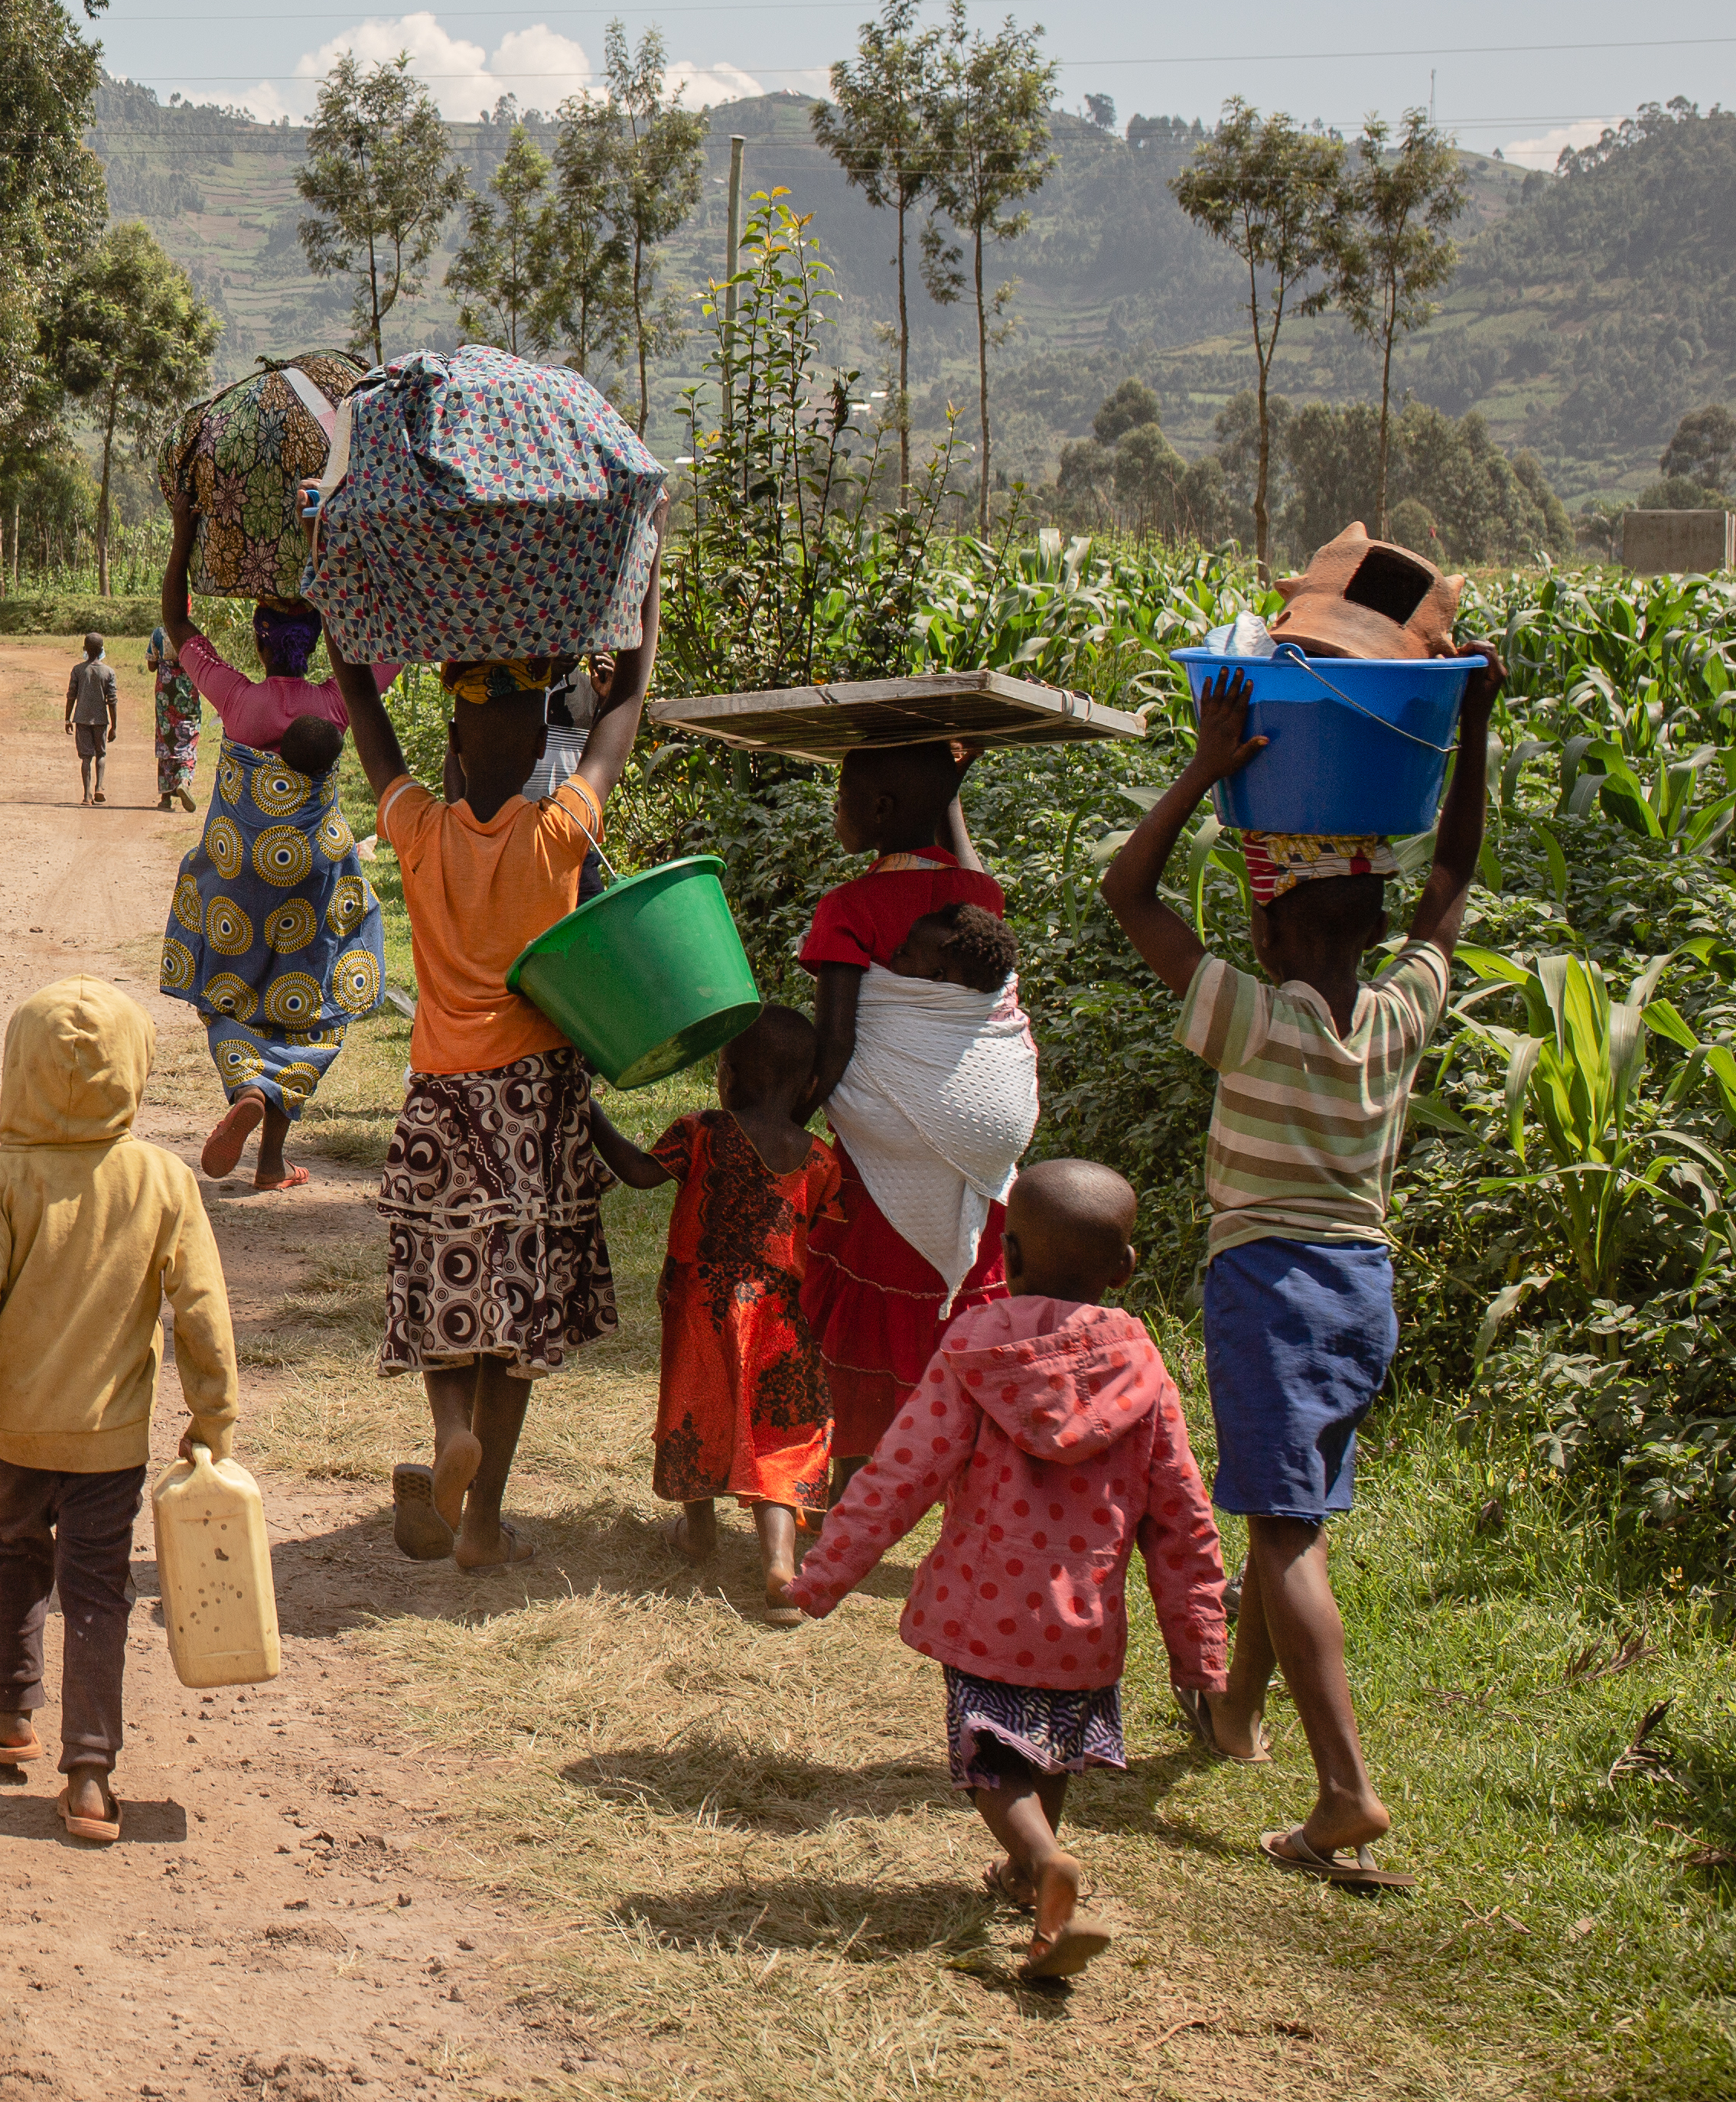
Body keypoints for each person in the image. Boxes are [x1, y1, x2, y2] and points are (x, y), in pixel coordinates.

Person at [1099, 650, 1498, 1892]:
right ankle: (1233, 1709)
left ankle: (1344, 1794)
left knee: (1284, 1535)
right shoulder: (1396, 1017)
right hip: (1360, 1296)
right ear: (1371, 935)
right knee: (1294, 1508)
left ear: (1266, 926)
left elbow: (1128, 890)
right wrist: (1468, 728)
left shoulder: (1248, 1017)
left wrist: (1205, 770)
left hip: (1269, 1287)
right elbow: (1453, 883)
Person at [780, 1160, 1229, 1984]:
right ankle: (1034, 1889)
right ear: (1124, 1270)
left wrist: (823, 1574)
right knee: (1051, 1750)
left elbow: (901, 1473)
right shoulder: (1144, 1367)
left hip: (986, 1608)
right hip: (1086, 1617)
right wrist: (1199, 1653)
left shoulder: (981, 1347)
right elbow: (1183, 1522)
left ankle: (1042, 1861)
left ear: (1009, 1254)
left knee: (994, 1760)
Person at [333, 566, 655, 1573]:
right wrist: (640, 604)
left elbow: (364, 714)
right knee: (521, 1313)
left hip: (442, 1093)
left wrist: (346, 608)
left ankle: (444, 1438)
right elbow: (623, 715)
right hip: (536, 1102)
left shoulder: (420, 829)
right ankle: (482, 1525)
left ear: (456, 748)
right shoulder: (559, 830)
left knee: (443, 1283)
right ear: (529, 759)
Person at [0, 978, 237, 1848]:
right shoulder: (161, 1180)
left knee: (13, 1550)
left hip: (16, 1434)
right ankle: (89, 1774)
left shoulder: (3, 1181)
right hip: (111, 1443)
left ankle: (11, 1714)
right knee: (98, 1590)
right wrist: (214, 1418)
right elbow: (201, 1312)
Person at [796, 741, 1030, 1497]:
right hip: (977, 1155)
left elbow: (834, 1046)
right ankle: (980, 1489)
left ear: (882, 812)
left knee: (873, 1312)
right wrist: (952, 783)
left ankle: (852, 1485)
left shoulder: (851, 909)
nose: (836, 812)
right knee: (960, 1307)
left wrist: (780, 1126)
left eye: (843, 799)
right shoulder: (978, 899)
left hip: (888, 1151)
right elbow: (965, 869)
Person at [158, 512, 387, 1195]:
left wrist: (184, 533)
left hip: (238, 877)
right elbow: (391, 643)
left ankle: (245, 1093)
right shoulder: (339, 700)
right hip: (311, 881)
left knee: (228, 983)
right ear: (320, 641)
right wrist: (347, 548)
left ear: (259, 644)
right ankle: (270, 1153)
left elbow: (178, 624)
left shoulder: (236, 698)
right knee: (317, 994)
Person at [587, 1004, 835, 1619]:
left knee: (695, 1409)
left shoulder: (701, 1131)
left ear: (727, 1075)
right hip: (782, 1313)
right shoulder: (820, 1159)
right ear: (808, 1086)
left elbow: (640, 1174)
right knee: (778, 1431)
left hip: (701, 1305)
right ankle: (779, 1564)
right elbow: (829, 1240)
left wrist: (588, 1110)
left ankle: (699, 1531)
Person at [147, 627, 205, 814]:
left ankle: (165, 798)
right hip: (189, 693)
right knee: (188, 738)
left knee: (166, 739)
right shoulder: (195, 633)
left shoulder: (158, 634)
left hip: (165, 692)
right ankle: (183, 781)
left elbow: (151, 666)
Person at [64, 635, 120, 805]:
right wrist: (114, 726)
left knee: (86, 758)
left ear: (85, 650)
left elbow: (71, 695)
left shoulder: (78, 670)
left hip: (81, 719)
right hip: (101, 720)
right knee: (101, 754)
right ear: (102, 649)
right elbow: (112, 701)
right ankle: (99, 788)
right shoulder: (108, 672)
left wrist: (67, 719)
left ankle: (87, 795)